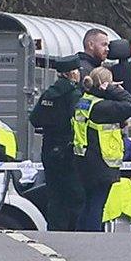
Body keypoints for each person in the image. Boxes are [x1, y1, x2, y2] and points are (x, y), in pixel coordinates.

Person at [73, 66, 131, 231]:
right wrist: (113, 89)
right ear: (104, 84)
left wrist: (107, 90)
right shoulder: (101, 108)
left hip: (84, 159)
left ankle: (81, 235)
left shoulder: (85, 101)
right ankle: (92, 238)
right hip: (101, 161)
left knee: (88, 203)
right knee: (97, 204)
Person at [29, 56, 84, 231]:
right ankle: (73, 230)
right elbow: (80, 121)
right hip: (68, 150)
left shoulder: (49, 93)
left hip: (49, 149)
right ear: (72, 73)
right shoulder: (74, 94)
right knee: (75, 193)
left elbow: (35, 119)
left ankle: (55, 230)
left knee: (54, 194)